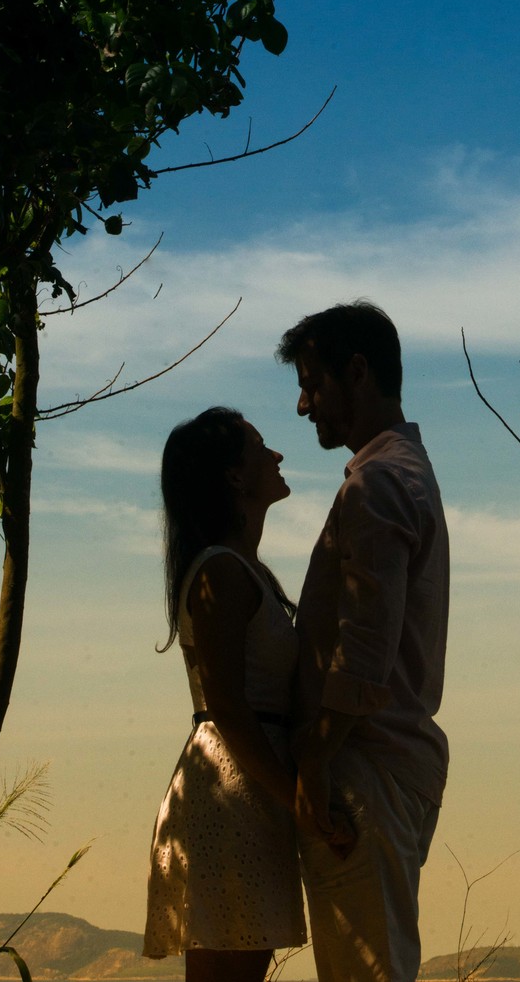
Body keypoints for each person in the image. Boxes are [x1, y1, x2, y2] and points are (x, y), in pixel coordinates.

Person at [277, 301, 450, 982]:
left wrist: (316, 759)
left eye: (312, 384)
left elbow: (366, 649)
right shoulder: (402, 471)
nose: (303, 406)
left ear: (357, 372)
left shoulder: (377, 484)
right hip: (383, 763)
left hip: (363, 767)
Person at [143, 407, 308, 982]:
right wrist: (299, 801)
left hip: (245, 789)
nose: (277, 455)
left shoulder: (241, 569)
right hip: (234, 791)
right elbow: (230, 708)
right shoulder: (222, 573)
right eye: (261, 446)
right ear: (235, 476)